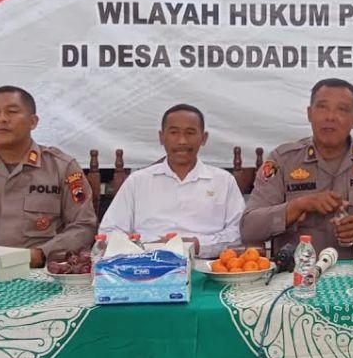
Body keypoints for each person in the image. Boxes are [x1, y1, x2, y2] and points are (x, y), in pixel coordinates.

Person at [240, 79, 353, 259]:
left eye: (342, 109)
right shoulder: (282, 160)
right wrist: (298, 205)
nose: (330, 117)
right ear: (309, 113)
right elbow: (249, 228)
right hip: (295, 272)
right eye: (322, 107)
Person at [0, 86, 96, 267]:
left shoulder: (61, 167)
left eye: (12, 112)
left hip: (40, 272)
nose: (1, 119)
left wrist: (42, 254)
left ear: (33, 121)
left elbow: (84, 225)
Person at [99, 104, 244, 257]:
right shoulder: (138, 181)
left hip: (206, 263)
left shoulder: (223, 181)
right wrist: (145, 248)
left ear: (204, 138)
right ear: (162, 137)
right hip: (146, 263)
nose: (182, 141)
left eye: (190, 133)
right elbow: (109, 232)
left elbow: (238, 233)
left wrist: (198, 245)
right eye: (174, 132)